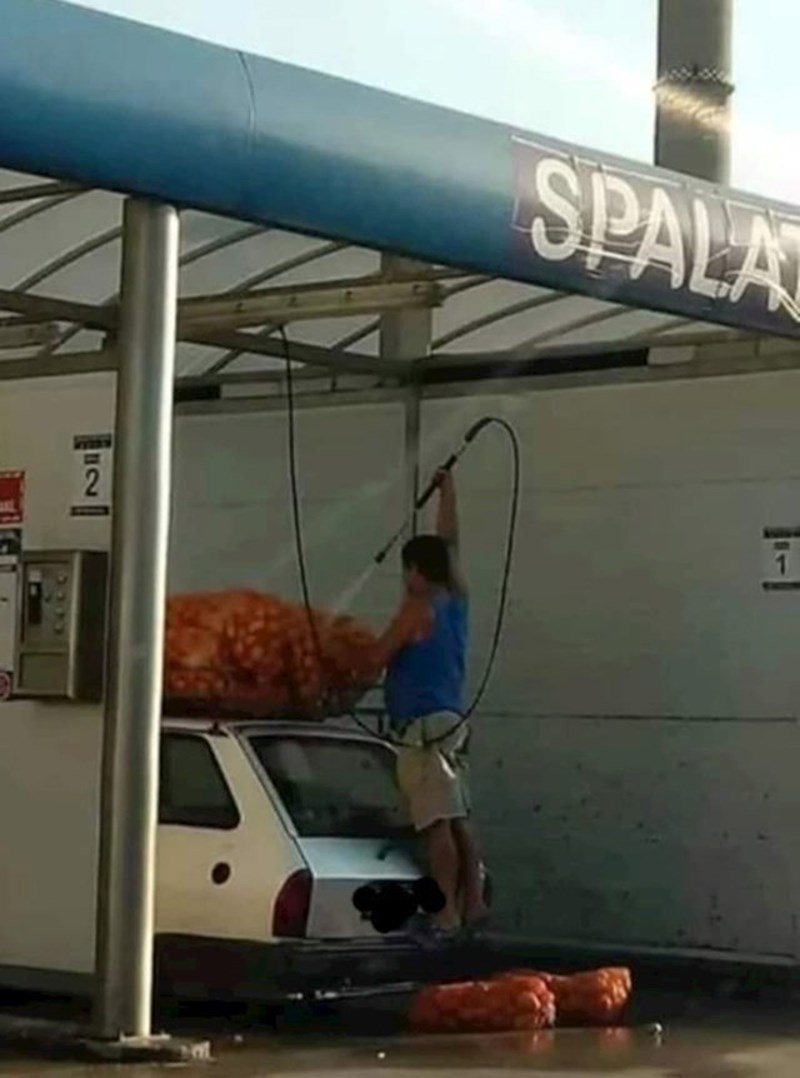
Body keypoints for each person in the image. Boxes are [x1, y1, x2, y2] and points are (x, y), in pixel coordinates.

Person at [372, 469, 488, 935]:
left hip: (422, 727)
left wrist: (336, 673)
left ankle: (445, 910)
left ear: (416, 571)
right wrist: (447, 489)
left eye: (407, 570)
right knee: (457, 816)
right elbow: (450, 544)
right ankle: (473, 901)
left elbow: (377, 656)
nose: (405, 579)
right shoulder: (456, 601)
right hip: (452, 721)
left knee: (436, 821)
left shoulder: (416, 609)